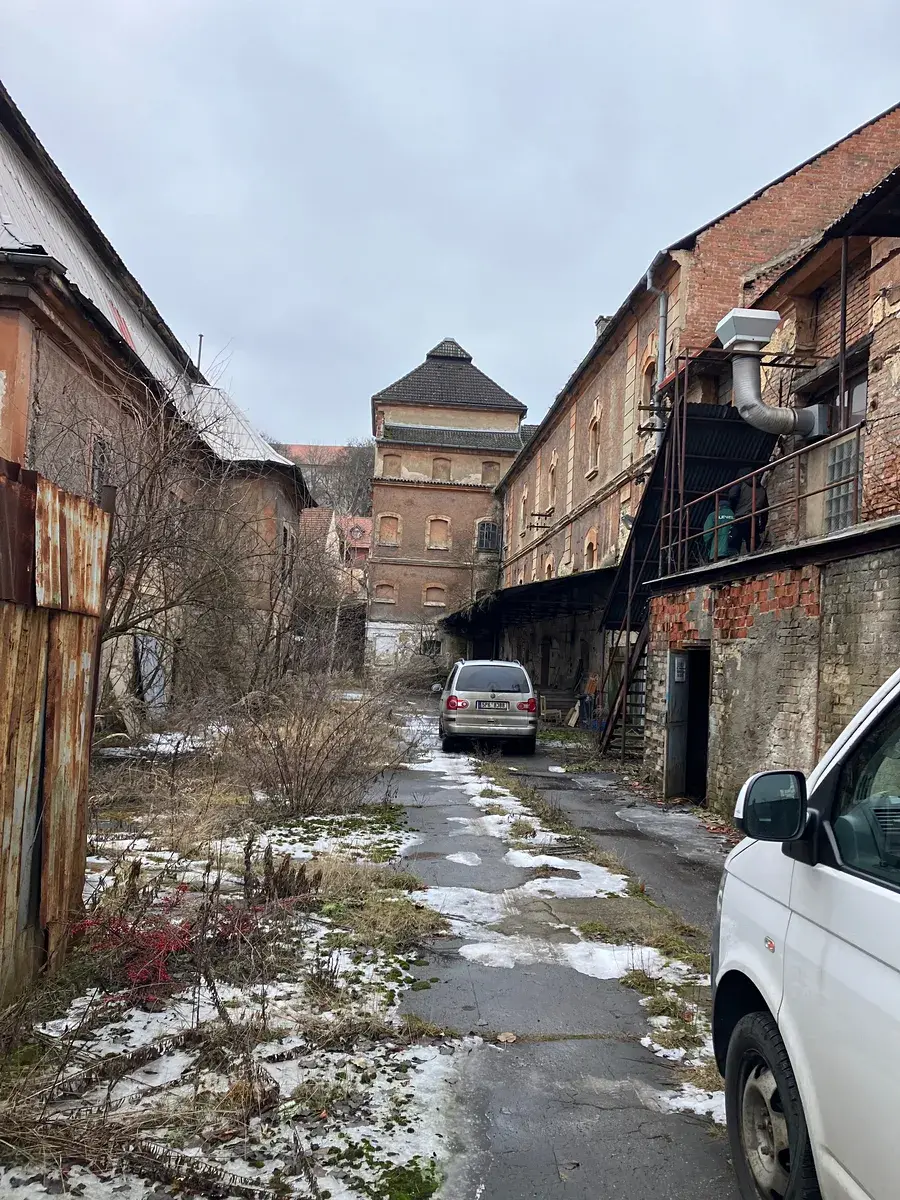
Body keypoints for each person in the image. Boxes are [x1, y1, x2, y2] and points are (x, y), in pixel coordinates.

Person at [727, 478, 768, 555]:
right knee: (753, 543)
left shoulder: (740, 484)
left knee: (733, 543)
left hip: (740, 517)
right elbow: (765, 509)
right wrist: (762, 526)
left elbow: (732, 496)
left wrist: (735, 508)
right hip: (753, 519)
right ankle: (754, 556)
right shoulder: (762, 490)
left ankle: (731, 558)